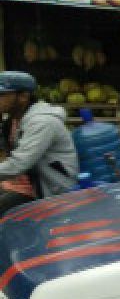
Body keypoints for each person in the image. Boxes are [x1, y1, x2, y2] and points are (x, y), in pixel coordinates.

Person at [0, 71, 78, 214]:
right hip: (28, 182)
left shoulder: (42, 122)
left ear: (23, 96)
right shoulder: (13, 120)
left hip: (52, 190)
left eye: (2, 95)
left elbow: (18, 165)